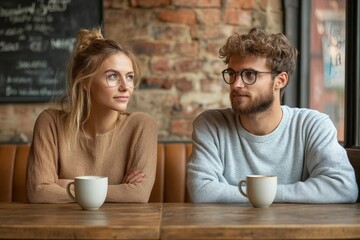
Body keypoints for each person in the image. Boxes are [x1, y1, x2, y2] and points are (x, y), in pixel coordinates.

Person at [186, 28, 358, 203]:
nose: (236, 84)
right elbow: (203, 192)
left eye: (249, 74)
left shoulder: (313, 125)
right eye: (232, 74)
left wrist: (263, 195)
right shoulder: (210, 125)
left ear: (280, 81)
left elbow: (343, 186)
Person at [26, 27, 158, 203]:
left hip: (121, 226)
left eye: (129, 77)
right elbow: (38, 192)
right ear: (86, 82)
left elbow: (138, 194)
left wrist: (66, 185)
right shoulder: (50, 122)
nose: (126, 87)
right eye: (112, 76)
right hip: (61, 226)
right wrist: (117, 189)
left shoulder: (142, 125)